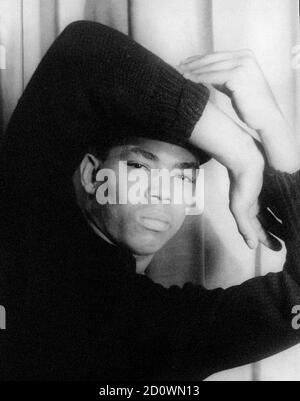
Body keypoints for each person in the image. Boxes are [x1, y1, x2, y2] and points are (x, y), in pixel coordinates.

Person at [0, 20, 300, 381]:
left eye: (182, 176)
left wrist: (275, 129)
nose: (162, 190)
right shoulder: (31, 242)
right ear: (93, 174)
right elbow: (82, 53)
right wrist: (244, 154)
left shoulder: (166, 325)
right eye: (140, 165)